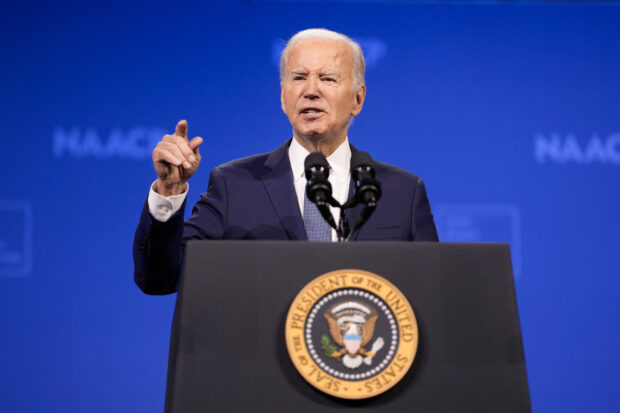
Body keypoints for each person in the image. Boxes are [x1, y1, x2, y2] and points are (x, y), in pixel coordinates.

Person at [133, 28, 438, 295]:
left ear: (358, 99)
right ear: (283, 97)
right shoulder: (234, 185)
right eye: (299, 78)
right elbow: (161, 279)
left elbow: (433, 294)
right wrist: (169, 191)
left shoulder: (402, 192)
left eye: (327, 78)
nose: (311, 91)